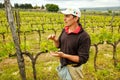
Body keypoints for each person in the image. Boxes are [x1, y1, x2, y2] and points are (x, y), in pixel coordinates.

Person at [48, 8, 91, 80]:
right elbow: (58, 46)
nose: (64, 19)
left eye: (67, 16)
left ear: (76, 18)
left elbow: (82, 59)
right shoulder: (65, 30)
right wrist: (55, 40)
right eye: (64, 16)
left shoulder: (84, 37)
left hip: (74, 70)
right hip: (62, 66)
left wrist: (64, 55)